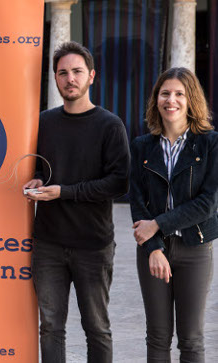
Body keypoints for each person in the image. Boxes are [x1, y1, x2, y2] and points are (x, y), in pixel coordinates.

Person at [23, 41, 130, 363]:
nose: (70, 79)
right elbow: (41, 167)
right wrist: (39, 180)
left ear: (91, 76)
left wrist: (65, 192)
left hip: (92, 244)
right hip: (48, 244)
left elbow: (119, 182)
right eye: (63, 73)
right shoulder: (43, 122)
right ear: (55, 79)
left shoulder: (109, 125)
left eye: (77, 72)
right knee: (50, 327)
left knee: (96, 327)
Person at [129, 67, 217, 362]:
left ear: (191, 100)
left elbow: (208, 203)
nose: (171, 100)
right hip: (154, 251)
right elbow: (138, 203)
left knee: (191, 339)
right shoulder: (142, 146)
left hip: (195, 248)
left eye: (180, 94)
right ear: (156, 100)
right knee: (157, 337)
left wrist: (158, 224)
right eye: (165, 93)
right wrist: (153, 247)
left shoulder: (210, 144)